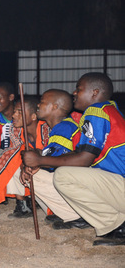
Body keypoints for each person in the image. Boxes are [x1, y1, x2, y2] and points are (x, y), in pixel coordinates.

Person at [23, 72, 125, 246]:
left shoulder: (96, 111)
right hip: (116, 184)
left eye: (79, 89)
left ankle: (117, 224)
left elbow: (84, 159)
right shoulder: (108, 110)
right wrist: (41, 158)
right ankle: (96, 219)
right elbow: (78, 153)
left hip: (119, 186)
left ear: (94, 92)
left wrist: (40, 161)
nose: (74, 93)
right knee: (56, 174)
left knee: (63, 176)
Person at [19, 89, 83, 225]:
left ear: (55, 107)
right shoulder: (61, 126)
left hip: (74, 181)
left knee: (32, 175)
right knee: (28, 169)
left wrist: (34, 164)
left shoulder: (64, 128)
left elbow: (53, 161)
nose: (38, 105)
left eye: (42, 102)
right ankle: (60, 211)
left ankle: (74, 216)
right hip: (73, 179)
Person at [0, 97, 50, 218]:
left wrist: (30, 161)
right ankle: (23, 204)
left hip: (47, 168)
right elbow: (16, 152)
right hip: (29, 168)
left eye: (19, 112)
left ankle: (40, 202)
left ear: (34, 116)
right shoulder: (15, 130)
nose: (14, 115)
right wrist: (23, 164)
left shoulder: (46, 129)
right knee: (11, 159)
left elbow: (47, 155)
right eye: (14, 111)